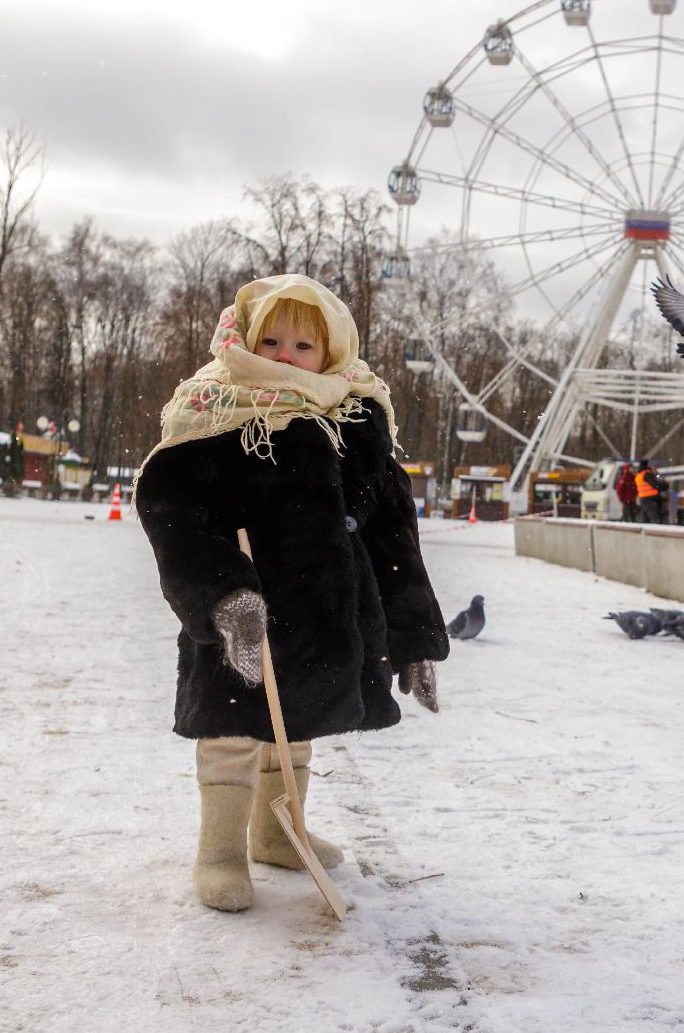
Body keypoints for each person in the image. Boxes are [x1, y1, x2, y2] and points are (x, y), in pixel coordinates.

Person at [135, 275, 449, 913]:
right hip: (243, 611)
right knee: (232, 731)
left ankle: (279, 834)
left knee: (293, 729)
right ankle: (219, 851)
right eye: (270, 340)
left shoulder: (358, 424)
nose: (284, 356)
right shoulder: (219, 413)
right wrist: (224, 598)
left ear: (330, 352)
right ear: (245, 340)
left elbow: (395, 544)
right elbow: (174, 511)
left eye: (302, 346)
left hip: (325, 617)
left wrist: (413, 640)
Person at [634, 459, 667, 524]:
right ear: (647, 465)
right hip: (651, 498)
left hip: (643, 499)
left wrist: (656, 474)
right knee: (655, 517)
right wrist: (664, 486)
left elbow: (656, 477)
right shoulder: (647, 474)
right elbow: (656, 483)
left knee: (645, 518)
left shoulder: (639, 475)